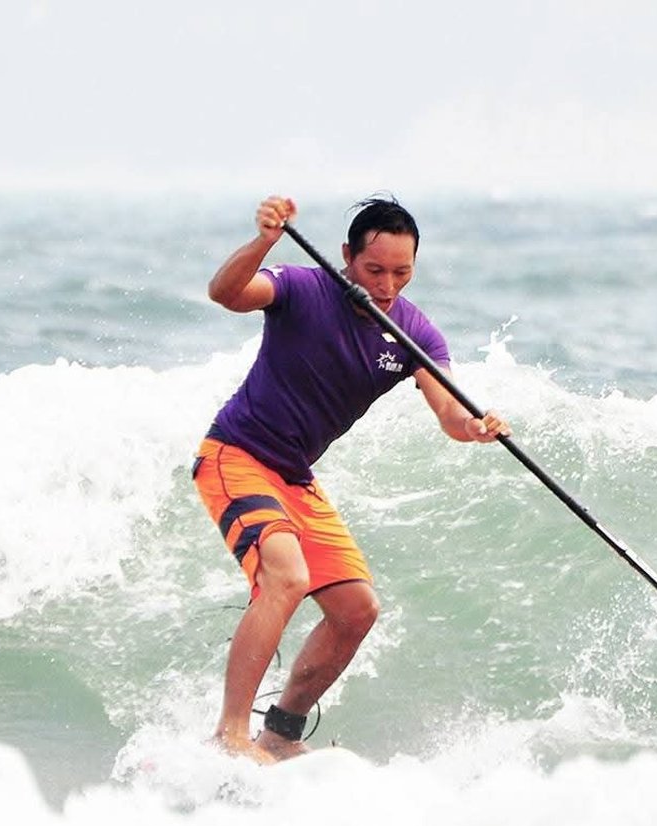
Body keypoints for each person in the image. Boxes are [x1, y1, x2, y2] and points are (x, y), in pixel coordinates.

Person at [194, 194, 509, 762]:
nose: (387, 286)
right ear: (346, 256)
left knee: (356, 610)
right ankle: (231, 735)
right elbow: (226, 294)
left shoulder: (414, 335)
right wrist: (265, 241)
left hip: (294, 478)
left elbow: (449, 414)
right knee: (286, 576)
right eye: (374, 270)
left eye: (402, 272)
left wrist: (476, 426)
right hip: (237, 454)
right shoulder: (301, 288)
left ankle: (279, 733)